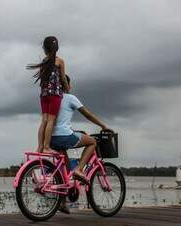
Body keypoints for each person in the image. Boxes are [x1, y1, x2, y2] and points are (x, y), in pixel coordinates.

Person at [50, 75, 112, 214]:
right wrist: (103, 126)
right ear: (67, 85)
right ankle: (79, 169)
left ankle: (61, 202)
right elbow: (88, 115)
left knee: (64, 172)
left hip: (51, 138)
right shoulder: (70, 98)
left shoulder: (52, 99)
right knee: (92, 141)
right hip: (64, 136)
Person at [27, 36, 70, 153]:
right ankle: (47, 147)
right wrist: (67, 89)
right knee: (51, 120)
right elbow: (63, 78)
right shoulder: (59, 61)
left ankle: (40, 147)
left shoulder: (44, 62)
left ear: (45, 49)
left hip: (44, 95)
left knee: (44, 120)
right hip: (55, 94)